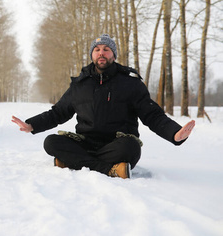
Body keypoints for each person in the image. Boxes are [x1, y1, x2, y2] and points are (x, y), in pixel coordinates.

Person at [12, 34, 195, 179]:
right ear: (92, 54)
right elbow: (58, 113)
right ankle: (111, 170)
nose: (101, 53)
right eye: (97, 49)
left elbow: (152, 114)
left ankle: (74, 162)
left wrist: (174, 133)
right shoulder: (80, 84)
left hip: (117, 145)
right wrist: (32, 125)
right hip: (85, 143)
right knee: (51, 142)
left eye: (106, 49)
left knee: (131, 147)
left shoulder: (130, 83)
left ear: (113, 55)